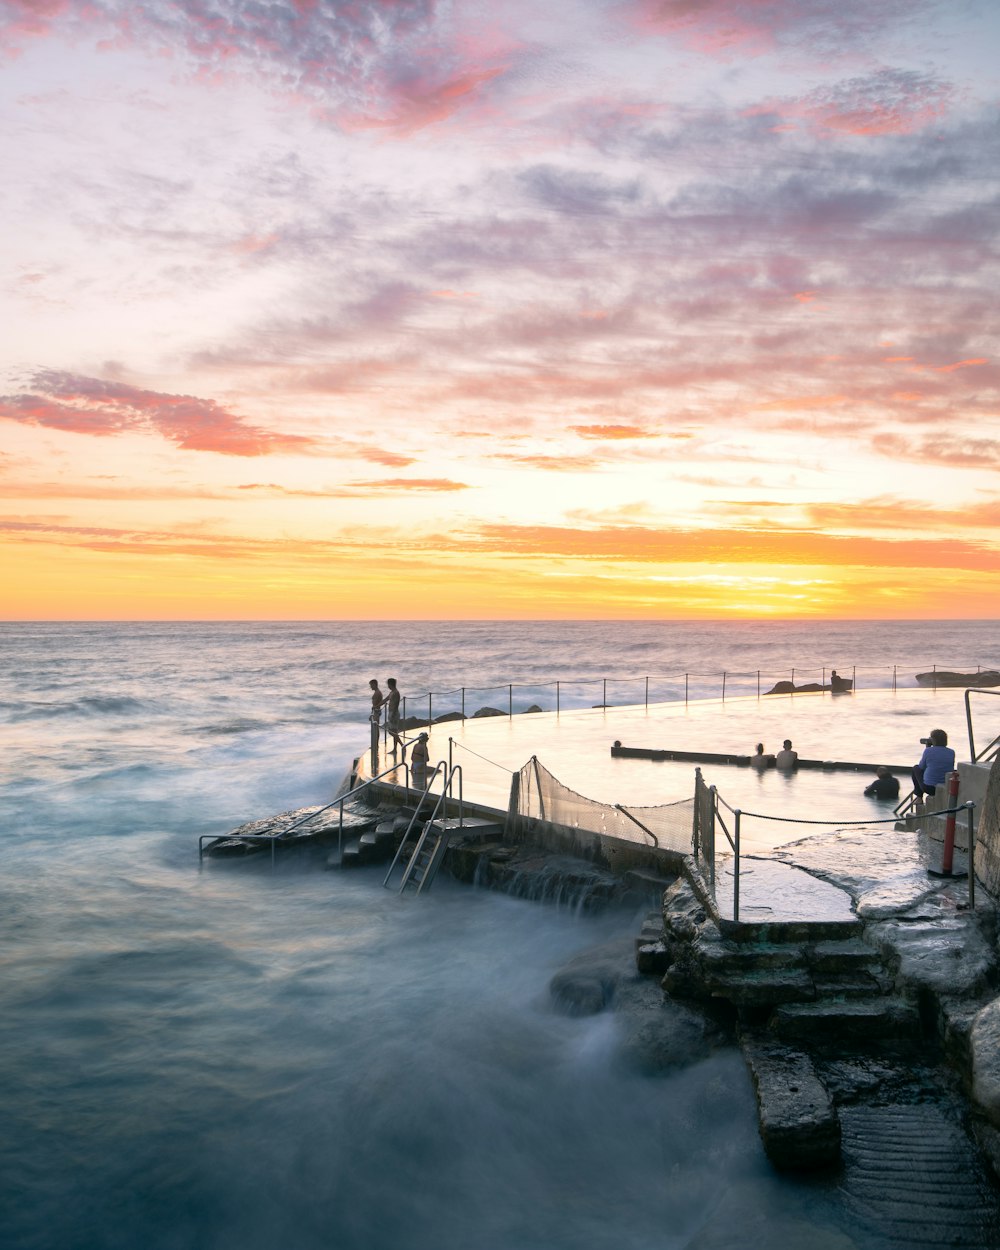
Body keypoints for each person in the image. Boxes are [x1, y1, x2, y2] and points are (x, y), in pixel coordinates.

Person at [911, 728, 956, 804]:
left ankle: (919, 798)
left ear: (933, 740)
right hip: (946, 786)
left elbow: (921, 767)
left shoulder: (928, 751)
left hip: (930, 788)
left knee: (915, 768)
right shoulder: (951, 752)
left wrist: (928, 747)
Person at [384, 677, 403, 755]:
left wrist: (392, 714)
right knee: (394, 731)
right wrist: (376, 706)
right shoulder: (392, 692)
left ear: (390, 684)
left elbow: (396, 704)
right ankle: (395, 749)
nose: (387, 686)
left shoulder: (396, 693)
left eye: (388, 684)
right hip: (391, 713)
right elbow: (386, 699)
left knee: (391, 731)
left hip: (394, 713)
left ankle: (402, 745)